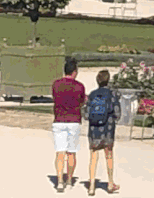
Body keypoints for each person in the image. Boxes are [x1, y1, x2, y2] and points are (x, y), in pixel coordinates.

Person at [49, 56, 87, 192]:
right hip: (74, 120)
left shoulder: (56, 84)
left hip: (59, 120)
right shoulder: (79, 86)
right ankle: (69, 179)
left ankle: (59, 180)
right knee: (71, 153)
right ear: (74, 72)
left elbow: (54, 98)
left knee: (60, 152)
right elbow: (82, 102)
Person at [84, 67, 122, 193]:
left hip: (94, 129)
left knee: (93, 156)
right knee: (109, 155)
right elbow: (117, 114)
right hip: (108, 128)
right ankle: (110, 183)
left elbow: (86, 114)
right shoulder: (112, 95)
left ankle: (91, 185)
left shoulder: (92, 95)